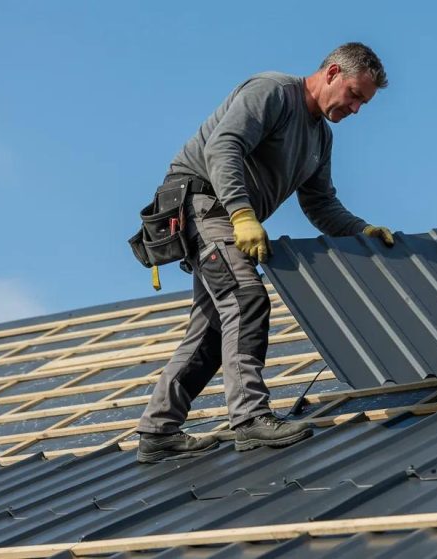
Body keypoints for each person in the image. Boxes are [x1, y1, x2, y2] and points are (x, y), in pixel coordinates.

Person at [135, 42, 394, 463]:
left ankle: (158, 429)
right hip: (205, 205)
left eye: (363, 102)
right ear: (331, 73)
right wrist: (241, 214)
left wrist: (360, 230)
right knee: (245, 298)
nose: (356, 109)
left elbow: (321, 204)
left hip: (229, 216)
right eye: (354, 95)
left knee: (214, 327)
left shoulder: (320, 138)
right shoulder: (272, 92)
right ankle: (250, 419)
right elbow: (223, 147)